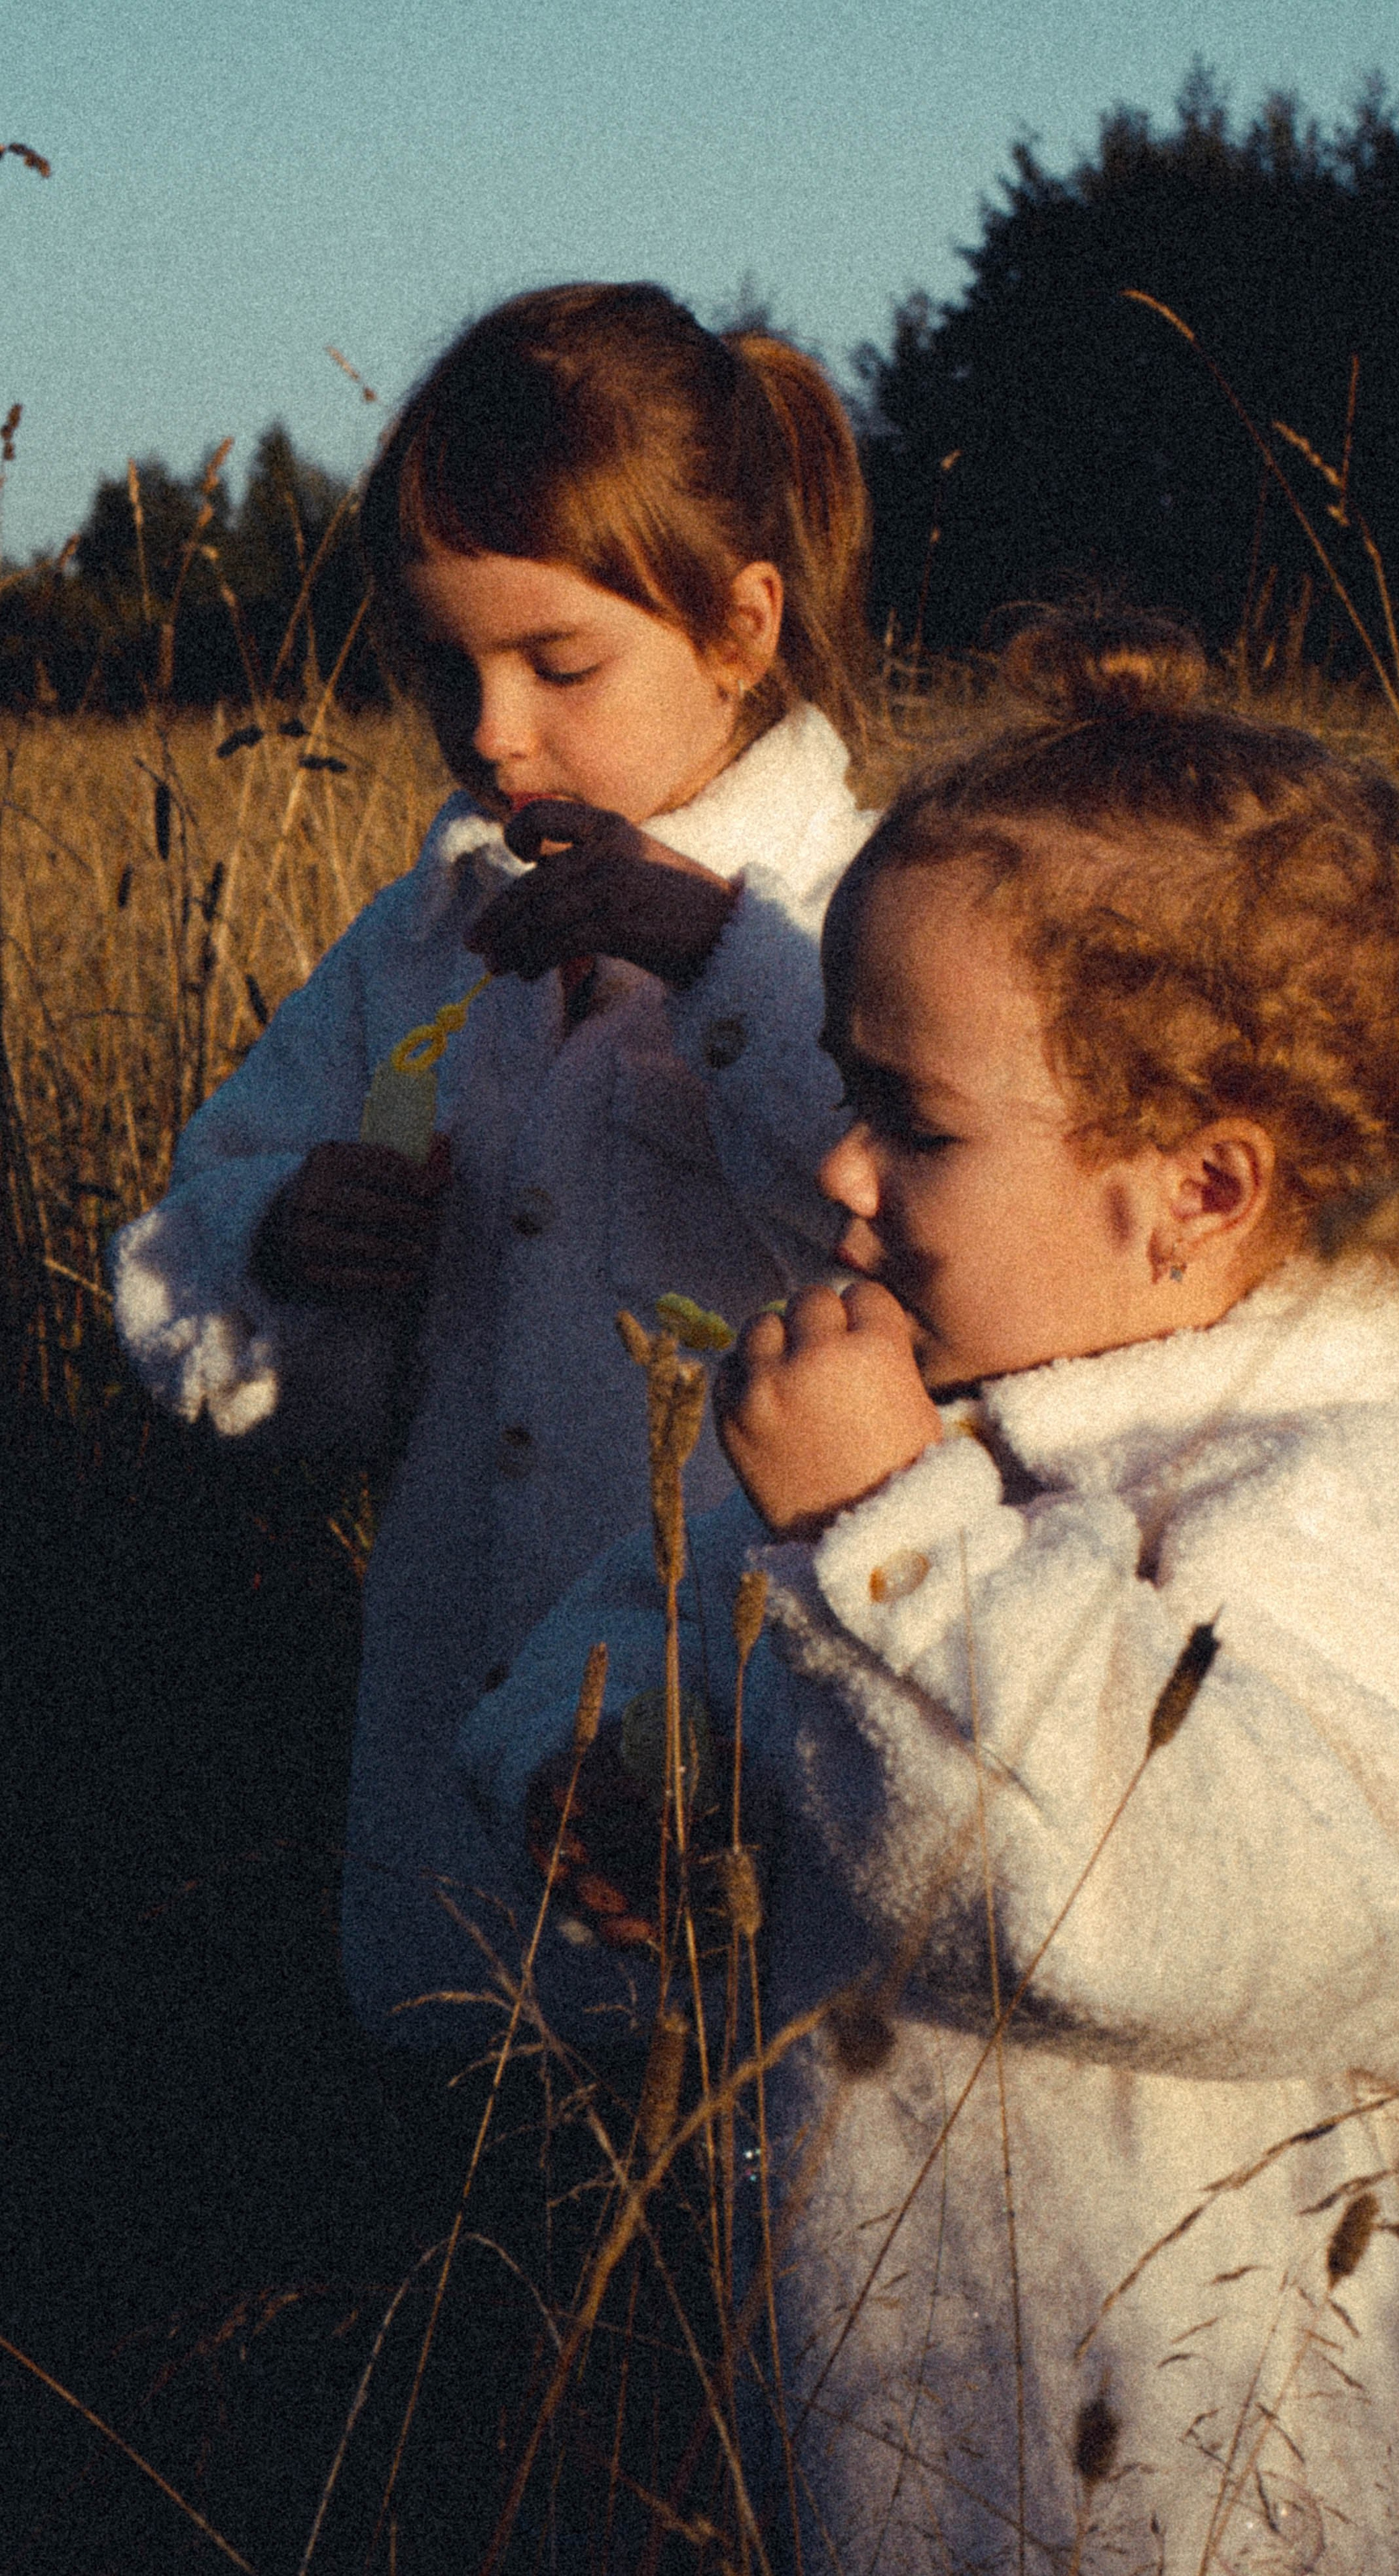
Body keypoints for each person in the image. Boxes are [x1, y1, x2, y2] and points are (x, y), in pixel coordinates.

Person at [460, 611, 1399, 2574]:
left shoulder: (1327, 1488)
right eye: (847, 1091)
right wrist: (615, 1774)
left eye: (916, 1123)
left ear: (1201, 1189)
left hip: (1245, 2460)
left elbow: (1200, 1896)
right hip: (900, 2410)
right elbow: (640, 1627)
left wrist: (896, 1541)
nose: (838, 1170)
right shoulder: (920, 1414)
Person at [110, 282, 876, 2045]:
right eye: (441, 666)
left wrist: (721, 960)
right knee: (460, 2172)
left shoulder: (878, 912)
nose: (492, 731)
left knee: (716, 2179)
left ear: (742, 626)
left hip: (758, 1835)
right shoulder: (418, 943)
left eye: (559, 665)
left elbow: (916, 1218)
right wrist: (280, 1238)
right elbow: (192, 1258)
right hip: (454, 1849)